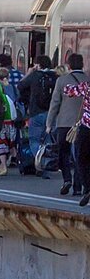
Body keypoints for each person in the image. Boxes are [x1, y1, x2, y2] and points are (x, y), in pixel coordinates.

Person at [48, 53, 88, 197]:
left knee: (63, 153)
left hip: (64, 123)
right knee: (80, 155)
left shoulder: (61, 81)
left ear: (69, 66)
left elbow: (55, 104)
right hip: (84, 124)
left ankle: (67, 180)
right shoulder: (88, 81)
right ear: (83, 64)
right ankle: (78, 187)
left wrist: (49, 123)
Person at [17, 55, 58, 176]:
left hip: (36, 113)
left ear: (38, 65)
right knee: (49, 141)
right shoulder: (56, 77)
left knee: (34, 140)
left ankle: (40, 164)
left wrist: (29, 73)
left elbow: (20, 86)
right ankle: (48, 163)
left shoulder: (34, 76)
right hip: (52, 113)